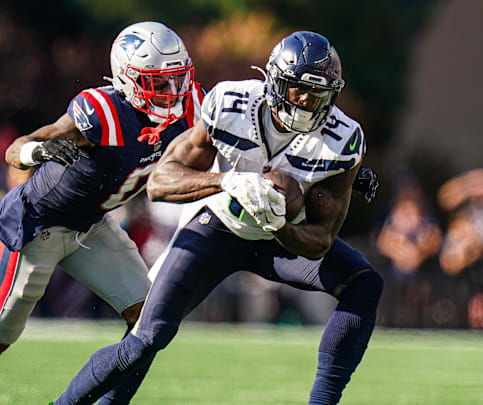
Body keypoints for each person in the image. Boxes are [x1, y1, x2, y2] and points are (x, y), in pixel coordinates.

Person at [0, 21, 204, 405]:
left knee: (150, 324)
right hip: (36, 226)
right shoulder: (101, 111)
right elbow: (18, 147)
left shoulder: (193, 103)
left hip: (90, 226)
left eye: (178, 79)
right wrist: (37, 152)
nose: (173, 92)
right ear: (128, 81)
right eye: (159, 83)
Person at [53, 31, 383, 405]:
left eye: (319, 94)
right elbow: (160, 182)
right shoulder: (232, 103)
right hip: (218, 227)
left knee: (364, 284)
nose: (308, 102)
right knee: (147, 337)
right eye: (298, 90)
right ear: (274, 82)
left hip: (279, 241)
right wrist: (227, 181)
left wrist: (279, 224)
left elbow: (321, 239)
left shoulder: (343, 138)